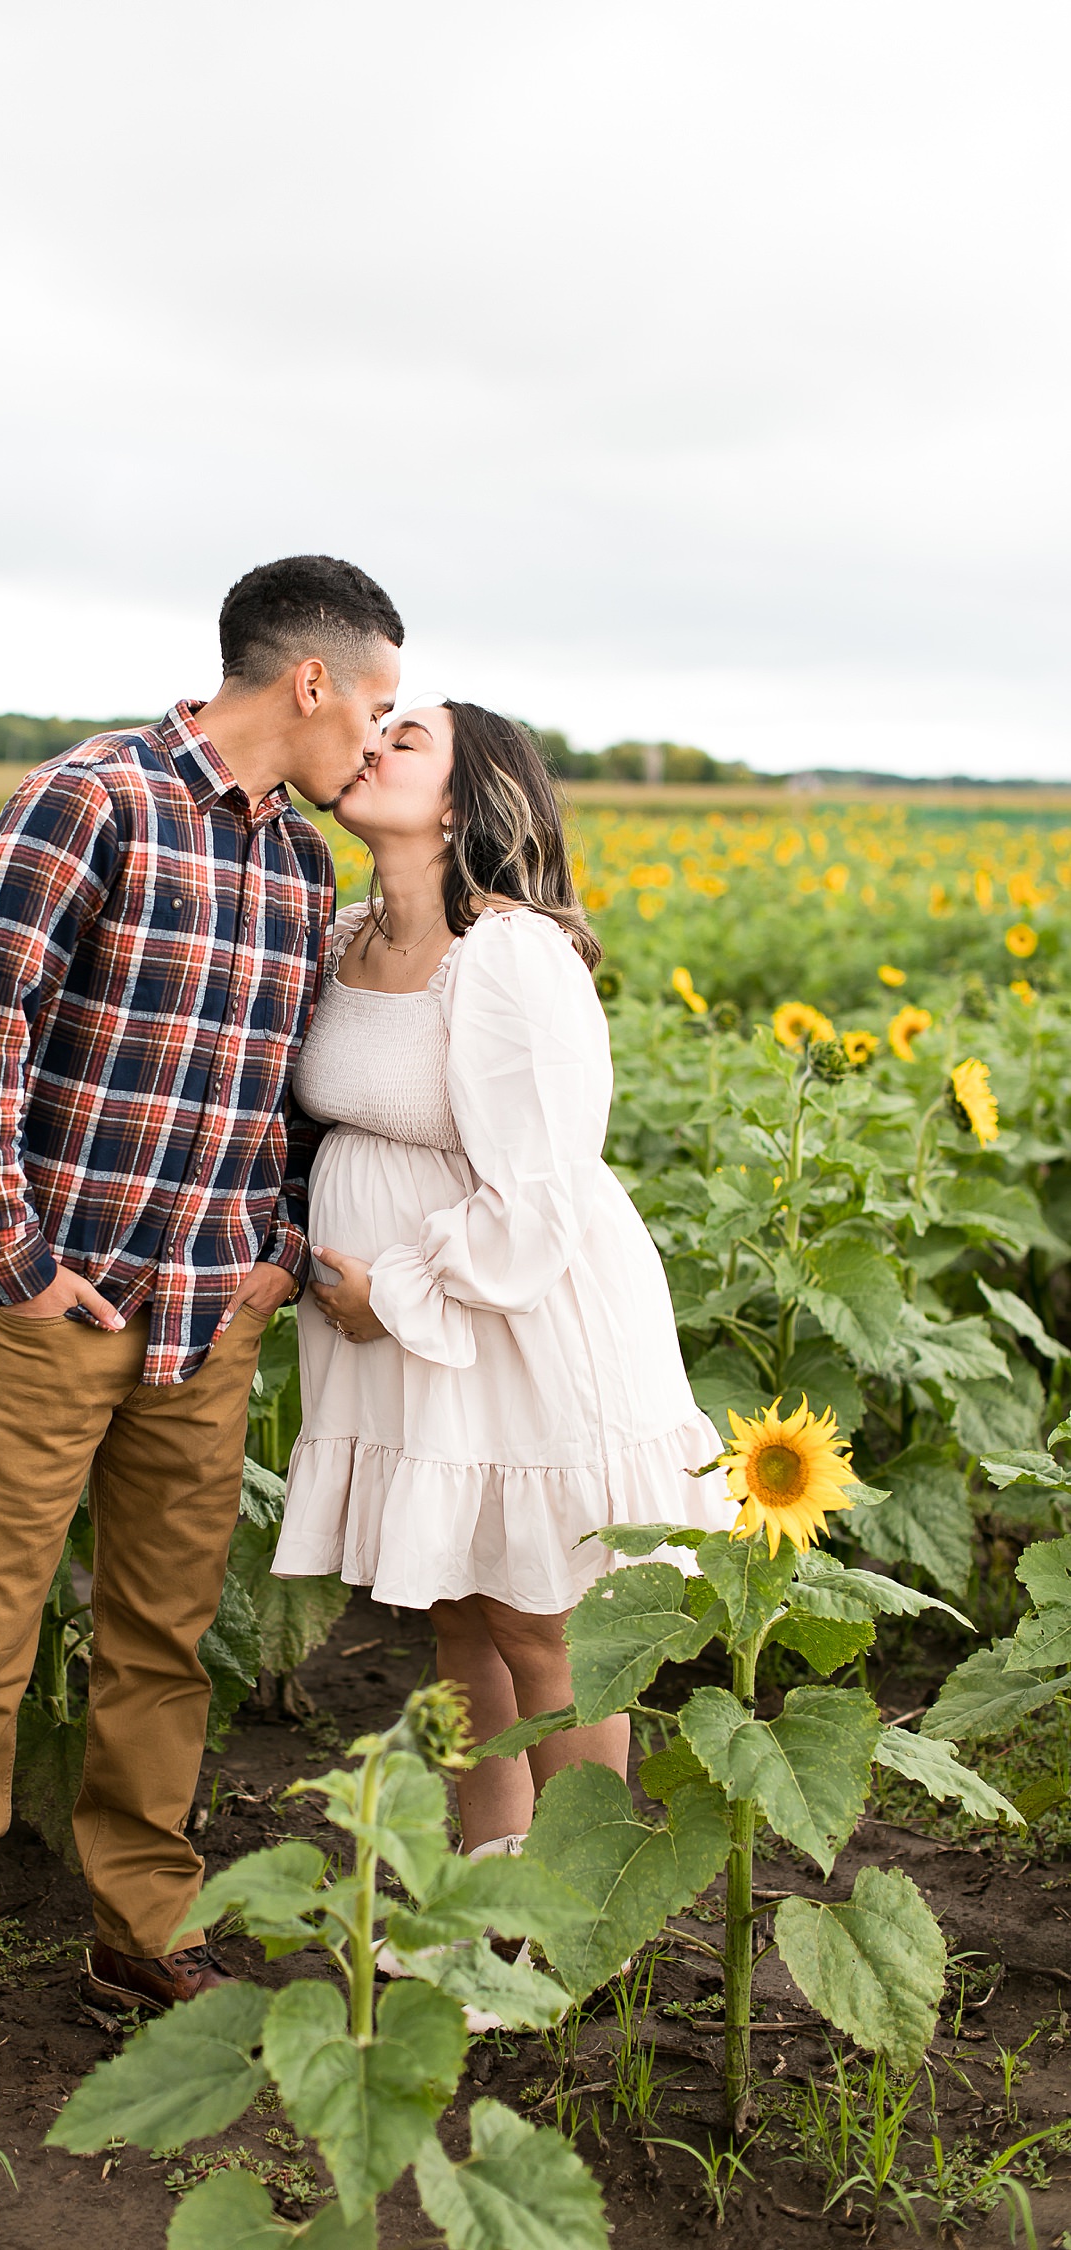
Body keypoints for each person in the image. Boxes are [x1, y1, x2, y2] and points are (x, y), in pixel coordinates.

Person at [0, 555, 404, 2075]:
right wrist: (14, 1256)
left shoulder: (304, 868)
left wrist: (271, 1249)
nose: (375, 738)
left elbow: (284, 1101)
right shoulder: (94, 798)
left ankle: (138, 1931)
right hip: (55, 1309)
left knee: (163, 1639)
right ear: (308, 681)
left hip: (206, 1320)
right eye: (372, 702)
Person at [272, 700, 731, 1859]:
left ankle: (580, 1906)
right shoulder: (345, 937)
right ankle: (486, 1891)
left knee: (541, 1616)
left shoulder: (511, 953)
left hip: (510, 1316)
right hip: (400, 1332)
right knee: (459, 1612)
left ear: (468, 801)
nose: (371, 744)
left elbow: (542, 1188)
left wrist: (401, 1292)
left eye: (407, 738)